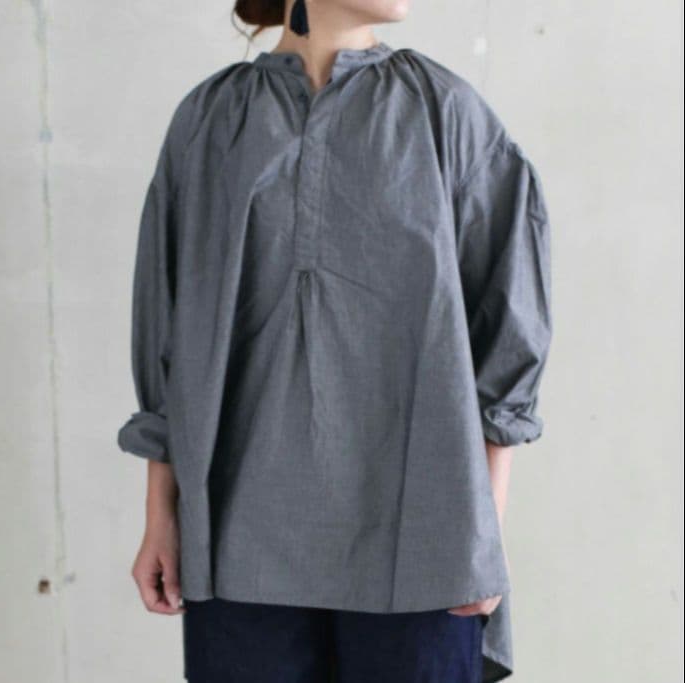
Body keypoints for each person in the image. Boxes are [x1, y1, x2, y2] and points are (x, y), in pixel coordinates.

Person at [116, 1, 553, 681]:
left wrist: (484, 528)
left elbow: (507, 318)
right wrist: (160, 513)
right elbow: (167, 322)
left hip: (424, 534)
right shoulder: (210, 119)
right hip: (238, 534)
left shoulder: (444, 111)